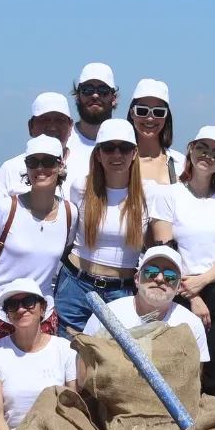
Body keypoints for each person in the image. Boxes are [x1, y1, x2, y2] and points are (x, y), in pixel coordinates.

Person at [56, 119, 175, 336]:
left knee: (116, 365)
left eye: (125, 148)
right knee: (68, 359)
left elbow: (164, 250)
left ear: (134, 153)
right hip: (75, 285)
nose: (117, 154)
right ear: (98, 154)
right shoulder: (81, 187)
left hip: (122, 291)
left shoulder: (152, 193)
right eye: (109, 148)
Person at [0, 136, 73, 356]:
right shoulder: (6, 208)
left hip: (40, 317)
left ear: (60, 165)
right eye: (33, 162)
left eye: (48, 162)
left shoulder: (70, 213)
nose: (40, 168)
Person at [169, 128, 215, 397]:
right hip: (177, 288)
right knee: (179, 371)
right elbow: (164, 248)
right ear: (190, 148)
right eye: (202, 148)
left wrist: (202, 282)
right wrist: (191, 294)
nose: (207, 156)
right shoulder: (169, 195)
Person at [0, 277, 78, 430]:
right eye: (13, 305)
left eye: (29, 302)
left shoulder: (65, 349)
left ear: (43, 308)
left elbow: (73, 406)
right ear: (7, 314)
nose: (21, 309)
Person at [80, 245, 211, 367]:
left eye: (170, 276)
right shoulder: (107, 314)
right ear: (137, 279)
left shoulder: (190, 324)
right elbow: (83, 368)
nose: (160, 279)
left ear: (178, 287)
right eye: (151, 271)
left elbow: (194, 379)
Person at [0, 93, 75, 191]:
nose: (52, 126)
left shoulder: (87, 167)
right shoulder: (9, 170)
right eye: (44, 120)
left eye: (59, 120)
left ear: (70, 126)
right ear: (30, 126)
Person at [67, 63, 119, 185]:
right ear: (78, 96)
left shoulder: (126, 145)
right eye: (87, 90)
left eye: (103, 91)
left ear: (113, 99)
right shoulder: (63, 142)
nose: (95, 95)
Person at [126, 78, 183, 184]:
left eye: (158, 112)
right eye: (142, 110)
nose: (150, 118)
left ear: (166, 117)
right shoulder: (118, 161)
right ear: (132, 113)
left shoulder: (181, 165)